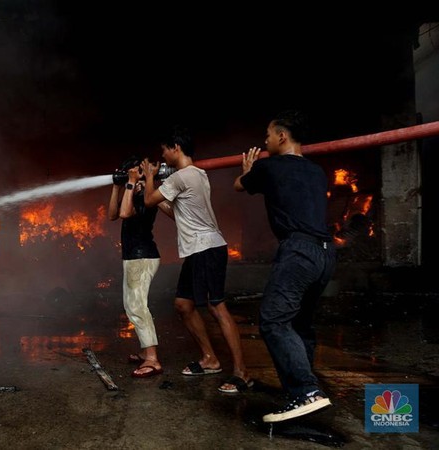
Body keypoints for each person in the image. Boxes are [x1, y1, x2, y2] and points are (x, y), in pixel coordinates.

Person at [233, 110, 336, 422]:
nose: (264, 141)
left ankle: (305, 391)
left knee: (274, 321)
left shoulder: (269, 166)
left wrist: (248, 169)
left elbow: (239, 186)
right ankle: (306, 394)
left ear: (282, 136)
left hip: (298, 252)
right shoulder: (317, 171)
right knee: (300, 324)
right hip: (325, 253)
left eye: (268, 134)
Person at [141, 127, 252, 394]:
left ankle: (242, 373)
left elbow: (147, 200)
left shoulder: (181, 177)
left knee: (216, 308)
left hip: (207, 249)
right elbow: (177, 213)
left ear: (176, 147)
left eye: (164, 150)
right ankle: (210, 359)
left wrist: (148, 177)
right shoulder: (196, 175)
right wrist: (158, 190)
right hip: (197, 250)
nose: (163, 155)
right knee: (183, 305)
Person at [108, 156, 164, 378]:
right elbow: (113, 214)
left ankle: (152, 359)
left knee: (137, 307)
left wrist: (131, 183)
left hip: (142, 258)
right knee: (133, 305)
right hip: (134, 258)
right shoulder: (133, 194)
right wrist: (116, 187)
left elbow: (124, 213)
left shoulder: (145, 197)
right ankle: (145, 352)